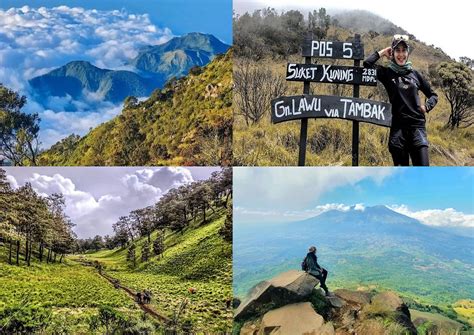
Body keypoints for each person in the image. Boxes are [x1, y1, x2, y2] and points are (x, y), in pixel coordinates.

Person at [363, 34, 438, 166]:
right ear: (393, 53)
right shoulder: (387, 73)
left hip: (417, 129)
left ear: (408, 53)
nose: (401, 54)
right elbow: (367, 64)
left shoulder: (415, 75)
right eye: (398, 50)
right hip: (398, 131)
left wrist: (427, 106)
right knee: (401, 177)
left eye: (404, 50)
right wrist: (382, 52)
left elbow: (433, 95)